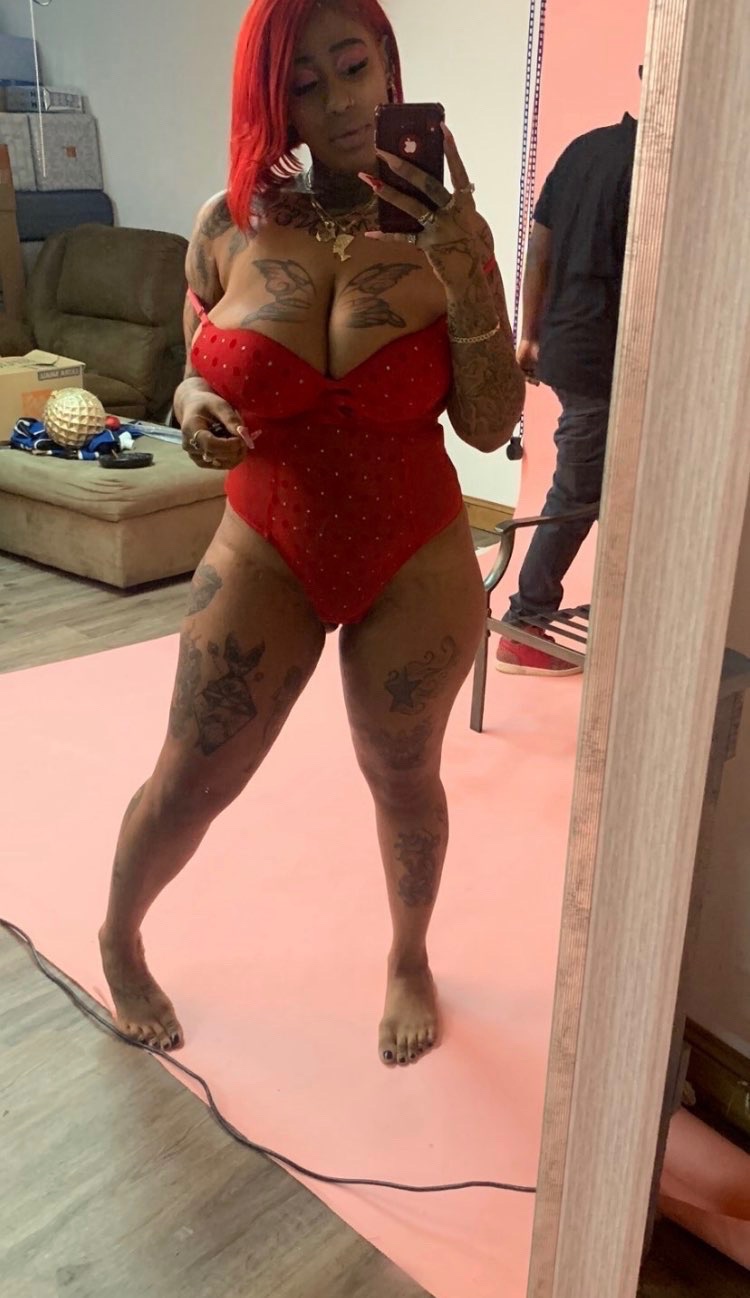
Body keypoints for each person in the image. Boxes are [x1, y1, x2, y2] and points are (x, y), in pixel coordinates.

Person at [98, 0, 524, 1068]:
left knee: (405, 775)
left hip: (414, 547)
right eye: (305, 83)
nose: (339, 103)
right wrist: (196, 407)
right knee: (192, 773)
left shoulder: (447, 233)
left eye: (354, 67)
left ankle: (410, 957)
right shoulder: (228, 223)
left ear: (388, 65)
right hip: (265, 540)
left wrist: (468, 265)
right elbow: (191, 370)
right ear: (273, 99)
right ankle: (117, 935)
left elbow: (487, 425)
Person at [496, 95, 639, 676]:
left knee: (598, 488)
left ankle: (608, 613)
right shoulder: (657, 164)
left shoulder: (585, 149)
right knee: (578, 494)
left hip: (566, 343)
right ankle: (524, 625)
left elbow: (540, 245)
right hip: (604, 354)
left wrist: (530, 334)